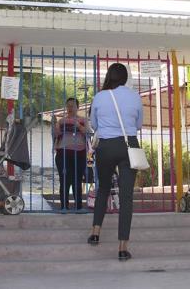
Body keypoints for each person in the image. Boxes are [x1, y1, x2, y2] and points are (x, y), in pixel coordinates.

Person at [87, 63, 143, 261]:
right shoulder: (135, 96)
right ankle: (122, 248)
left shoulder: (100, 96)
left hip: (106, 146)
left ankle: (95, 233)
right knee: (126, 197)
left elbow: (94, 124)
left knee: (103, 189)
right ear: (126, 78)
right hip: (129, 146)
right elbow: (138, 124)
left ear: (109, 76)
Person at [52, 98, 88, 213]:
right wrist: (56, 126)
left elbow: (88, 133)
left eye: (72, 106)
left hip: (80, 153)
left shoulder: (83, 120)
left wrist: (78, 125)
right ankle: (64, 206)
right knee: (64, 180)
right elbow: (56, 135)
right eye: (68, 106)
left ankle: (78, 207)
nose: (70, 108)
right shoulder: (61, 121)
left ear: (78, 107)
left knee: (77, 179)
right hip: (63, 153)